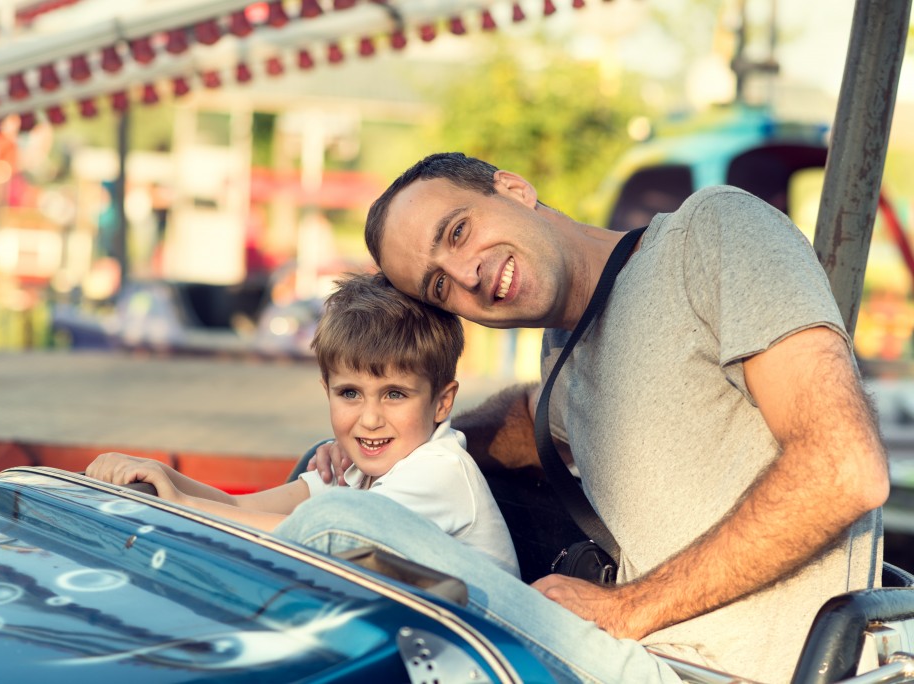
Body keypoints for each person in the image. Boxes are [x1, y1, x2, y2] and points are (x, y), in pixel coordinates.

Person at [297, 152, 890, 682]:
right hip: (624, 658)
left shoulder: (710, 234)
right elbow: (527, 416)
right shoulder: (564, 356)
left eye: (458, 232)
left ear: (513, 188)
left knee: (341, 523)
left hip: (717, 667)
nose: (467, 275)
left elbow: (845, 467)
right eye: (438, 287)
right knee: (344, 538)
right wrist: (387, 439)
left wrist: (627, 608)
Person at [86, 270, 519, 578]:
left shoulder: (438, 472)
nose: (369, 419)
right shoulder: (354, 468)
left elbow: (316, 535)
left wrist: (182, 507)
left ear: (443, 402)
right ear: (326, 387)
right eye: (350, 393)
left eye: (395, 394)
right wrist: (160, 477)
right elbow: (242, 509)